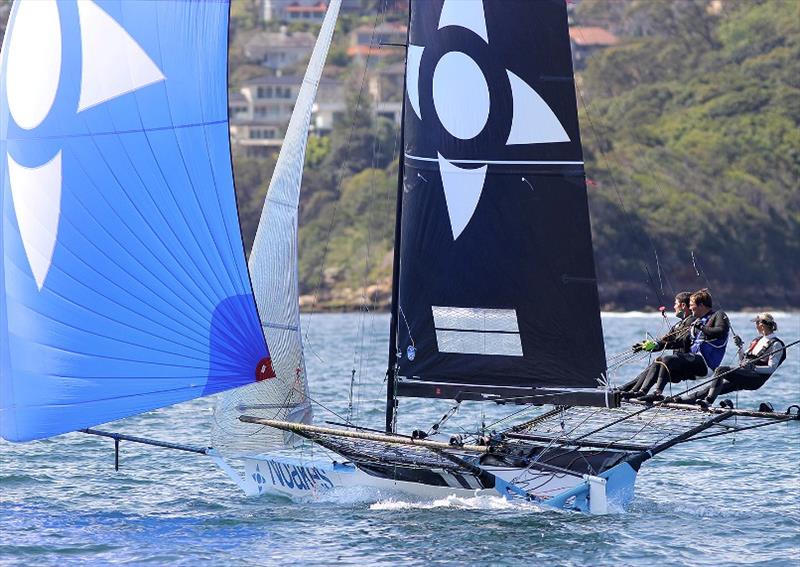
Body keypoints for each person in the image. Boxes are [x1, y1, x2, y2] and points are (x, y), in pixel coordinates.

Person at [671, 313, 786, 407]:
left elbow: (771, 369)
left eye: (756, 323)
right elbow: (743, 360)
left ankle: (708, 402)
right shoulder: (757, 340)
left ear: (762, 324)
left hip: (755, 379)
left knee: (720, 370)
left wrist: (753, 367)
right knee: (712, 388)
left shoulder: (776, 344)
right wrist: (740, 347)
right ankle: (680, 400)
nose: (755, 326)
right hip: (744, 374)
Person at [637, 289, 730, 402]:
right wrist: (656, 345)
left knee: (667, 359)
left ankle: (657, 393)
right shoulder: (697, 321)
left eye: (692, 305)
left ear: (701, 305)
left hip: (706, 364)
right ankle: (640, 392)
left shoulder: (718, 315)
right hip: (693, 362)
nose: (690, 308)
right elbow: (681, 341)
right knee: (658, 362)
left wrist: (701, 327)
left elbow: (720, 331)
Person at [619, 292, 695, 398]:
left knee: (658, 363)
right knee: (652, 368)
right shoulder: (678, 325)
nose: (674, 307)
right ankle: (626, 390)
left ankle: (637, 391)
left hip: (686, 366)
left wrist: (656, 344)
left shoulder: (692, 322)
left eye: (675, 303)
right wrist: (645, 346)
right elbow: (664, 341)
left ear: (683, 306)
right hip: (674, 365)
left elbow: (681, 342)